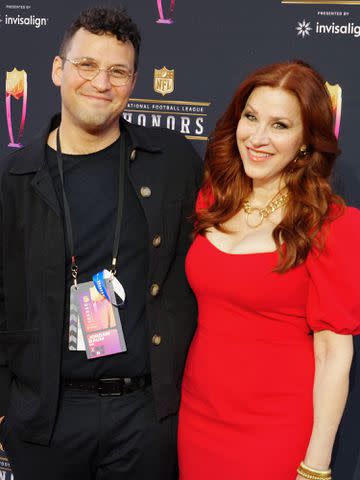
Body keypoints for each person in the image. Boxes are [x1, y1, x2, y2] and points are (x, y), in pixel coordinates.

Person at [0, 6, 202, 480]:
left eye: (118, 71)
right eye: (86, 65)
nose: (101, 82)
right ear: (57, 70)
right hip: (46, 420)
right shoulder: (14, 179)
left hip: (145, 417)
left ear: (134, 82)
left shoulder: (171, 160)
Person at [177, 60, 360, 480]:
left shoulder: (329, 225)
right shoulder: (213, 199)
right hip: (198, 416)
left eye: (280, 126)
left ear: (305, 141)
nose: (257, 138)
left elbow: (334, 355)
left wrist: (315, 465)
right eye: (251, 117)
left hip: (277, 428)